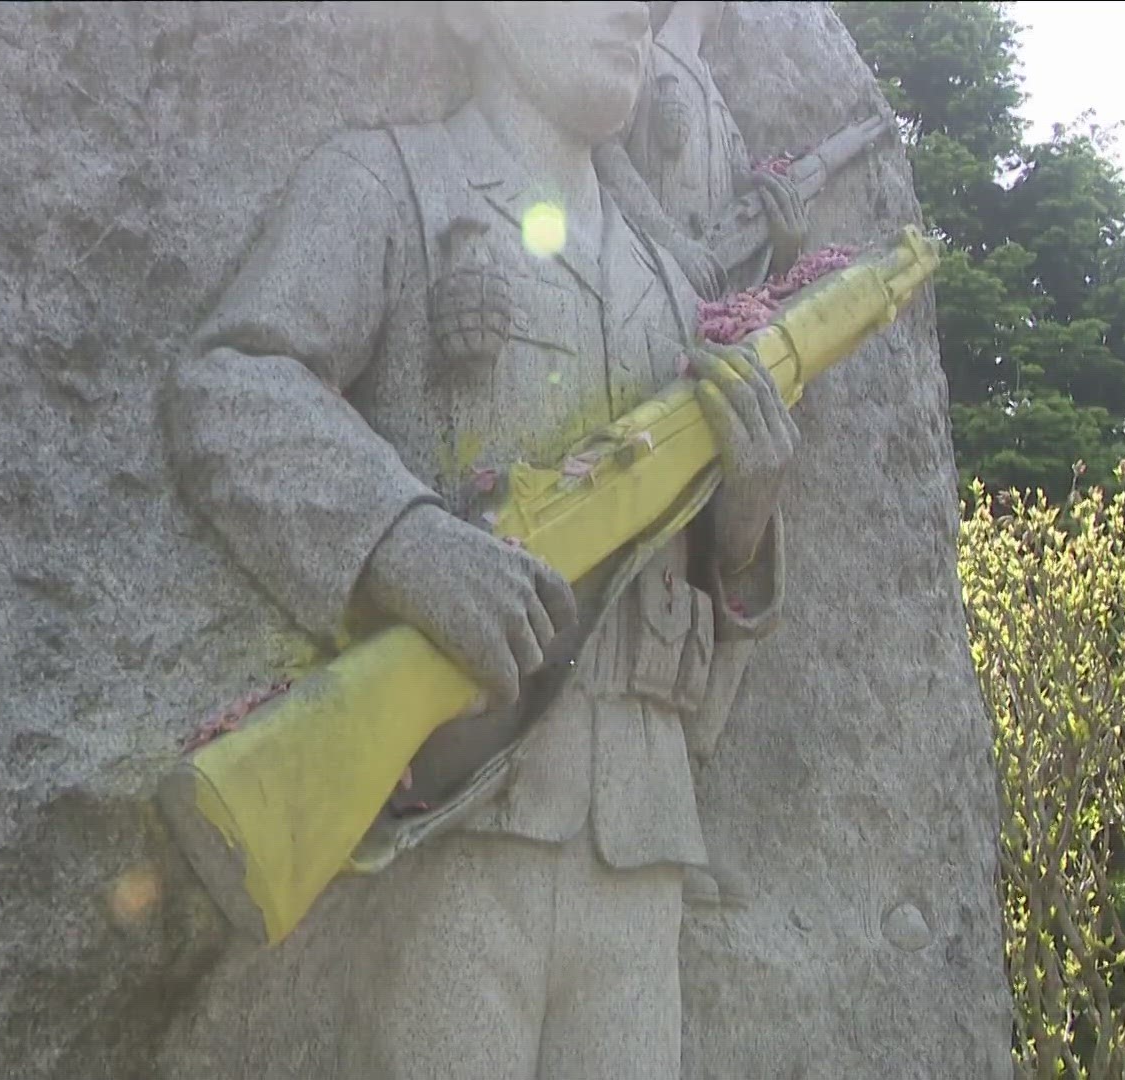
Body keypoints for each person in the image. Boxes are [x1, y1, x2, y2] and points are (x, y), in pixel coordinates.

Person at [162, 3, 795, 1075]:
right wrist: (401, 544)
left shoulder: (671, 286)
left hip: (640, 842)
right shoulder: (387, 186)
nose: (633, 15)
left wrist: (745, 525)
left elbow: (691, 589)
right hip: (457, 814)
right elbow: (231, 384)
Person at [596, 0, 809, 300]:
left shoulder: (723, 113)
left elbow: (741, 249)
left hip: (712, 319)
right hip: (642, 294)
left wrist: (783, 250)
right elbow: (604, 151)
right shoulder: (641, 60)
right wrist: (672, 242)